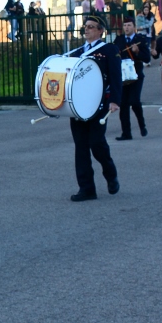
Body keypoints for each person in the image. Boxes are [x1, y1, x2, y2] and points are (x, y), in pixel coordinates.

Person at [68, 14, 122, 201]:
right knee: (81, 148)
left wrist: (115, 101)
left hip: (99, 105)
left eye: (91, 26)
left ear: (100, 31)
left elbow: (116, 77)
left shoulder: (109, 50)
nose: (87, 29)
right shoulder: (76, 53)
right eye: (86, 26)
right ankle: (87, 189)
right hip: (78, 106)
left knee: (96, 143)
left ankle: (110, 172)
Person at [115, 16, 151, 140]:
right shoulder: (119, 40)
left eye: (129, 25)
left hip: (136, 75)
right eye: (125, 25)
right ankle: (126, 133)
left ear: (134, 27)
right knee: (123, 105)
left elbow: (147, 58)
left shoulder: (140, 39)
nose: (126, 28)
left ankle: (142, 125)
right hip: (123, 77)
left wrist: (137, 52)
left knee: (134, 101)